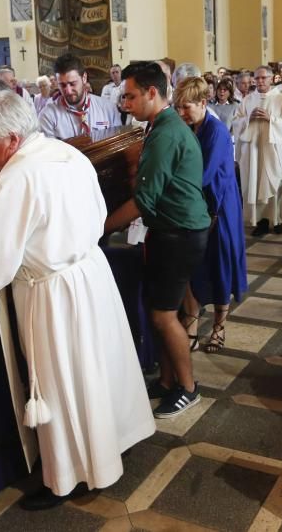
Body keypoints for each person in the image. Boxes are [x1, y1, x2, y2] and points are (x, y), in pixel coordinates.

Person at [0, 91, 153, 510]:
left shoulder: (17, 177)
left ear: (13, 138)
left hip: (53, 292)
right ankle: (110, 444)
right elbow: (96, 212)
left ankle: (70, 476)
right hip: (90, 275)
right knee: (98, 369)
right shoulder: (65, 153)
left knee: (62, 382)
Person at [104, 61, 210, 418]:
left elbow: (144, 200)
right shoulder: (159, 125)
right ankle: (166, 381)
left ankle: (188, 387)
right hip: (170, 230)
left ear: (152, 92)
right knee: (161, 311)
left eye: (131, 96)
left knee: (164, 316)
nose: (126, 103)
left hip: (179, 233)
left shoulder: (165, 131)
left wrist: (99, 228)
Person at [173, 77, 248, 353]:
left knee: (221, 264)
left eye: (186, 107)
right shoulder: (193, 126)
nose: (181, 113)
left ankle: (219, 328)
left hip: (220, 206)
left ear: (203, 103)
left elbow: (203, 174)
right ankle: (191, 329)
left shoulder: (215, 131)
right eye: (178, 107)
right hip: (199, 204)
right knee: (194, 266)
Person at [232, 65, 282, 236]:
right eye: (257, 78)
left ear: (271, 78)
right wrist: (247, 120)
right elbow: (235, 122)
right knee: (255, 182)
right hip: (253, 152)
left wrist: (272, 119)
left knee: (276, 182)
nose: (260, 81)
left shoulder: (281, 100)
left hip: (274, 151)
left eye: (263, 78)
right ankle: (260, 221)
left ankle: (277, 221)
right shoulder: (247, 100)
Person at [40, 53, 120, 139]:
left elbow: (118, 143)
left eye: (73, 84)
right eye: (62, 85)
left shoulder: (108, 108)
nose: (68, 91)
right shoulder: (48, 115)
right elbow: (49, 151)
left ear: (84, 78)